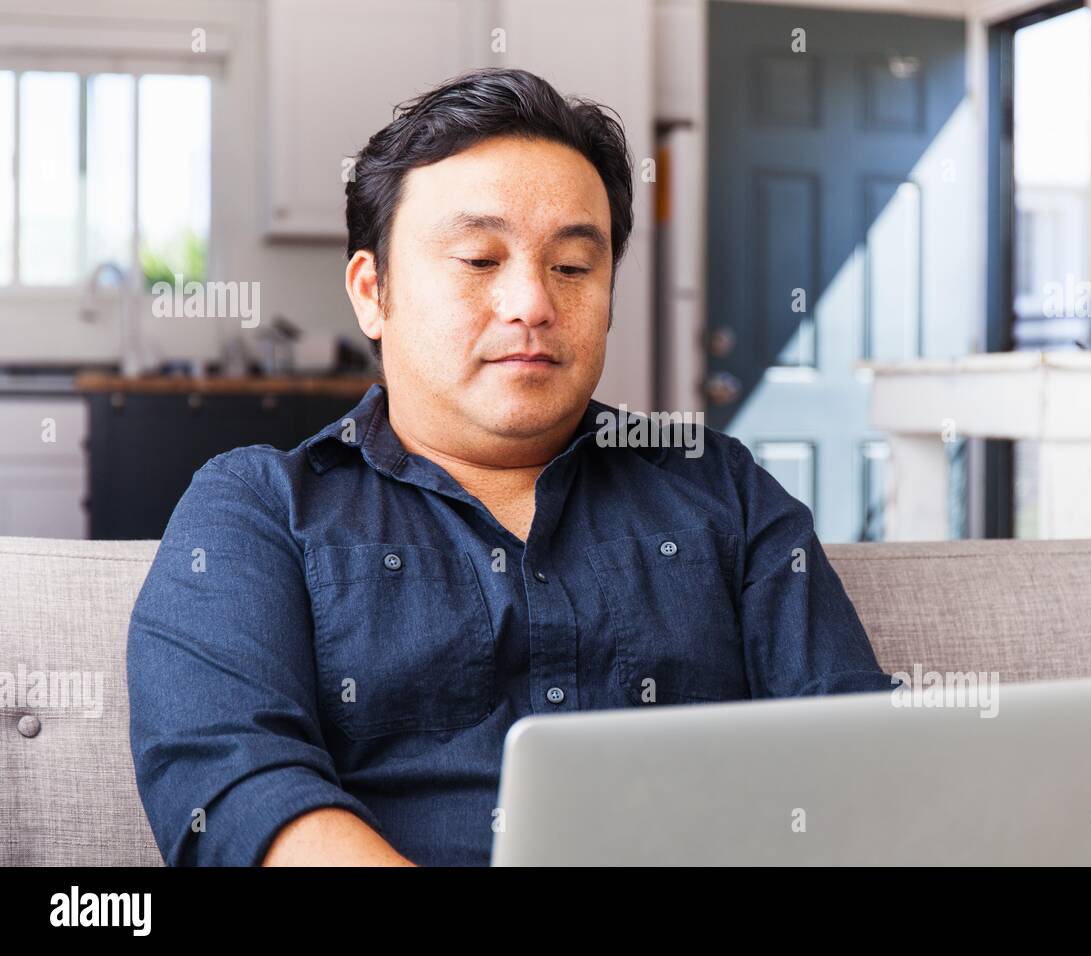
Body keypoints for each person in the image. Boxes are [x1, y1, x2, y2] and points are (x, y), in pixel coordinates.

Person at [127, 67, 893, 867]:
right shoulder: (257, 507)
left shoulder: (719, 488)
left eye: (571, 267)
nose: (532, 302)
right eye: (479, 259)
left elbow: (858, 752)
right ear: (372, 292)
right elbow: (237, 787)